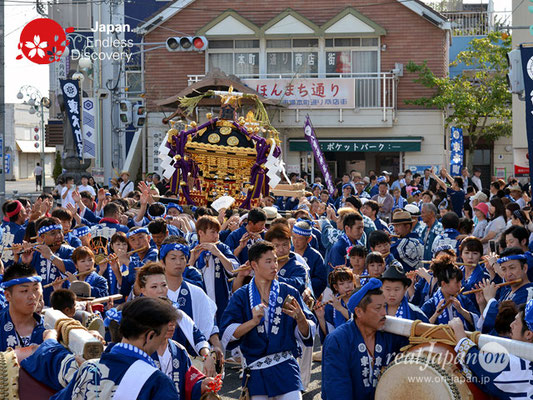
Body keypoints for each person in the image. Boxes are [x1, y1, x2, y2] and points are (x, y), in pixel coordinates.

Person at [220, 241, 316, 400]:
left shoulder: (288, 292)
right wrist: (252, 322)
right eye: (268, 261)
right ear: (254, 265)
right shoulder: (241, 296)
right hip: (256, 369)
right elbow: (227, 333)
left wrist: (301, 319)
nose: (274, 266)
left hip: (286, 365)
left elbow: (307, 334)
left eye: (276, 260)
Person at [52, 297, 184, 399]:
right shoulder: (157, 383)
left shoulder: (88, 368)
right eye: (162, 337)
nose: (162, 342)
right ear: (149, 336)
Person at [322, 278, 407, 400]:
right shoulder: (338, 341)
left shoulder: (389, 335)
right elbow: (337, 389)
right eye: (378, 308)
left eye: (385, 307)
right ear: (359, 312)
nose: (384, 313)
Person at [189, 216, 239, 325]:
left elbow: (235, 270)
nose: (216, 236)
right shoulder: (192, 249)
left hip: (220, 299)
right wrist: (192, 259)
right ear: (201, 233)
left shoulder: (222, 248)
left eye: (217, 232)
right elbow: (184, 277)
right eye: (212, 232)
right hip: (199, 300)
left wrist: (218, 254)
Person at [478, 248, 533, 333]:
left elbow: (506, 327)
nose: (508, 274)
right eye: (504, 269)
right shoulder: (507, 291)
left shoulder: (529, 293)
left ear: (525, 268)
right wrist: (483, 304)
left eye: (512, 268)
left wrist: (490, 300)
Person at [421, 255, 479, 329]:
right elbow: (421, 328)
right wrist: (436, 315)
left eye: (460, 282)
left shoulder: (464, 300)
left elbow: (479, 324)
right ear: (443, 284)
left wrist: (461, 310)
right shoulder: (430, 305)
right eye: (457, 282)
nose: (460, 285)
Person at [0, 263, 45, 351]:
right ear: (8, 295)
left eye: (36, 289)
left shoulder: (49, 328)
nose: (32, 296)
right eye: (24, 290)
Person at [292, 219, 327, 298]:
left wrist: (306, 287)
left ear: (309, 239)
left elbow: (321, 280)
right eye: (293, 237)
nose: (295, 241)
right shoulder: (288, 253)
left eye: (300, 239)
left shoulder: (315, 256)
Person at [315, 267, 354, 338]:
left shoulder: (361, 299)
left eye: (350, 282)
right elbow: (329, 334)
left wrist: (340, 308)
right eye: (342, 284)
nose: (347, 286)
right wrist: (320, 317)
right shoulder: (330, 306)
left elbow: (361, 320)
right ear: (336, 287)